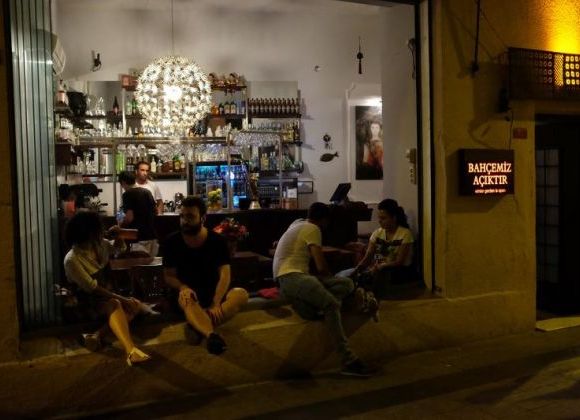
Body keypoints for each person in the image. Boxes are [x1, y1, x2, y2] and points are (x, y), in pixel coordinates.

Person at [273, 202, 375, 377]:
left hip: (288, 278)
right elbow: (321, 266)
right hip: (291, 277)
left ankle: (316, 307)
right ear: (325, 220)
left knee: (346, 284)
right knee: (332, 304)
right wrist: (329, 278)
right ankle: (349, 361)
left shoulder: (297, 223)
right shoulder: (314, 229)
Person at [162, 196, 249, 355]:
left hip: (212, 294)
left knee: (241, 294)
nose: (184, 221)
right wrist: (183, 287)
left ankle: (197, 326)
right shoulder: (171, 241)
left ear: (203, 218)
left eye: (190, 216)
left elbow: (225, 274)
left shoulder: (217, 241)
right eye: (182, 216)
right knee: (188, 298)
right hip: (186, 296)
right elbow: (169, 276)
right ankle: (211, 336)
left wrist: (216, 302)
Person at [63, 211, 151, 366]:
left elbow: (119, 250)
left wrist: (118, 236)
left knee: (135, 305)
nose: (101, 231)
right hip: (87, 302)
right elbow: (93, 288)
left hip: (107, 296)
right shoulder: (72, 259)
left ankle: (96, 335)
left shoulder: (99, 245)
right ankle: (131, 350)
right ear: (87, 234)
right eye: (97, 229)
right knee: (117, 304)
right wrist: (123, 299)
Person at [350, 199, 414, 298]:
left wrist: (381, 266)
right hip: (378, 268)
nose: (380, 221)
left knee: (380, 273)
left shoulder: (405, 233)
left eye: (383, 218)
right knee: (356, 275)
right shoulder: (377, 233)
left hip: (397, 269)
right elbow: (368, 256)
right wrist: (357, 268)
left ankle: (371, 298)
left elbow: (399, 261)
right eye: (379, 218)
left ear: (394, 218)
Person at [118, 171, 158, 257]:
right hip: (152, 237)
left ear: (123, 182)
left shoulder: (127, 194)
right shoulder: (147, 192)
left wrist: (120, 226)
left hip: (138, 239)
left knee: (138, 265)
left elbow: (129, 218)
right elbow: (156, 211)